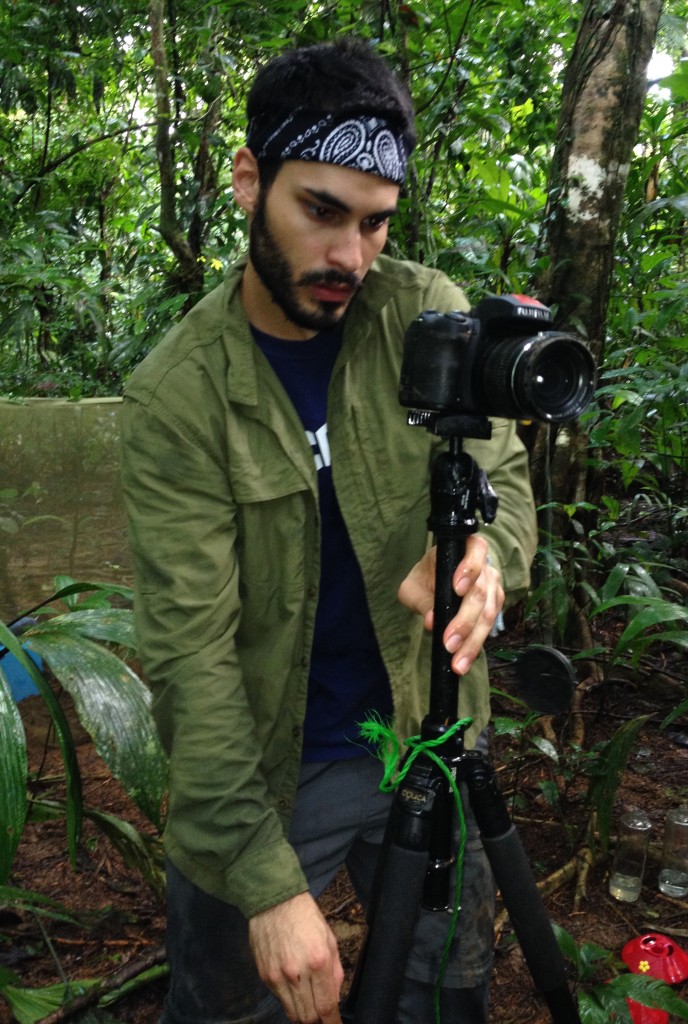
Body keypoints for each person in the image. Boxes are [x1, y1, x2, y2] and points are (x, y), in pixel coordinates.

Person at [121, 36, 538, 1024]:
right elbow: (191, 658)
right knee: (234, 999)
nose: (351, 256)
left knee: (443, 991)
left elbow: (505, 478)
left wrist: (488, 555)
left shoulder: (426, 317)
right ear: (248, 180)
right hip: (270, 770)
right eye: (321, 212)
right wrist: (266, 885)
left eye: (377, 224)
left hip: (426, 732)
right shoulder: (180, 397)